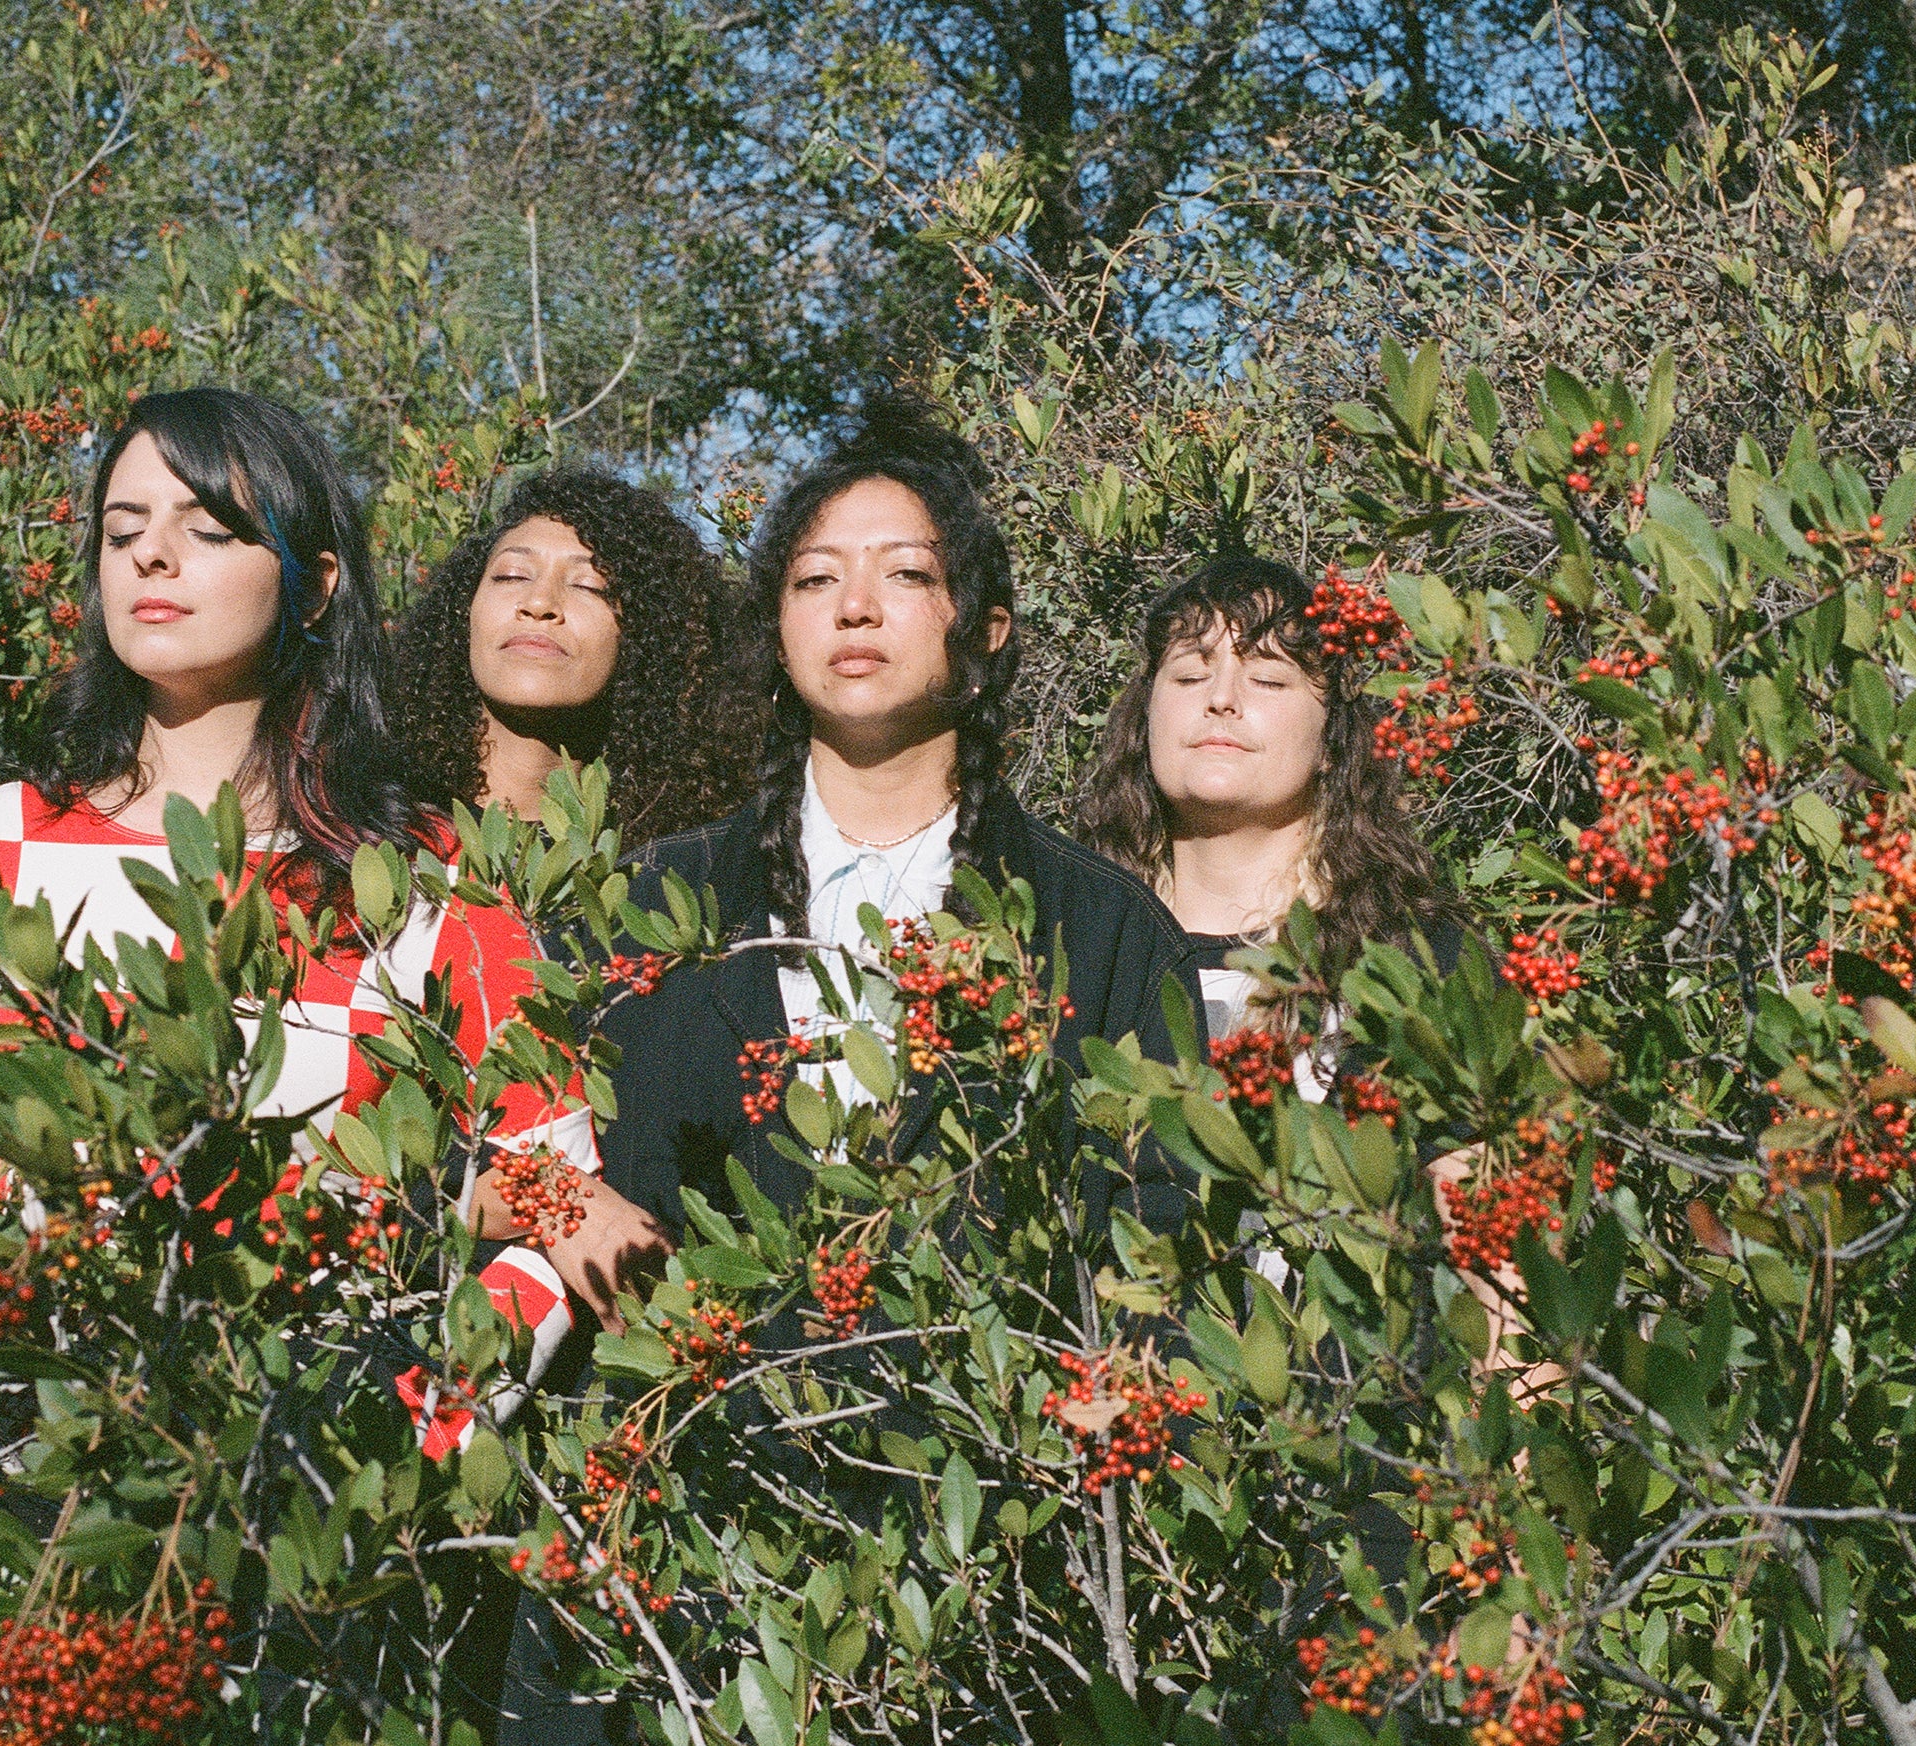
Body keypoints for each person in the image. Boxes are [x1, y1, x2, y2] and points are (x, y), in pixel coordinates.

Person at [500, 398, 1197, 1740]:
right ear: (776, 631)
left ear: (983, 634)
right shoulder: (650, 905)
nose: (856, 606)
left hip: (986, 1546)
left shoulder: (1098, 931)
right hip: (674, 1521)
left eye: (905, 573)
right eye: (816, 579)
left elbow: (1152, 1231)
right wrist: (551, 1196)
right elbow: (514, 1134)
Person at [0, 387, 616, 1393]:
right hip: (6, 1461)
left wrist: (408, 1448)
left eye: (206, 528)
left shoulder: (432, 878)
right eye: (123, 532)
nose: (150, 555)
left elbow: (555, 1195)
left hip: (305, 1465)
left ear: (317, 584)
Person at [1079, 552, 1469, 1057]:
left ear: (1331, 740)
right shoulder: (1070, 949)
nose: (1221, 698)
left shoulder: (1422, 961)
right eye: (1189, 677)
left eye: (1267, 679)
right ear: (1145, 716)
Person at [387, 467, 758, 845]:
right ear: (462, 613)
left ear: (649, 637)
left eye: (589, 585)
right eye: (512, 575)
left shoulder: (678, 866)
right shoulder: (367, 827)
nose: (539, 603)